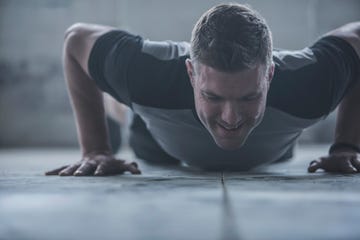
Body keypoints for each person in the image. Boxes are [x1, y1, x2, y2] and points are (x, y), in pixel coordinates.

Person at [45, 3, 360, 176]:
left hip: (270, 149)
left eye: (249, 96)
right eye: (213, 96)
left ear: (270, 75)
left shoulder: (310, 83)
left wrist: (346, 146)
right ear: (191, 74)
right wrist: (96, 149)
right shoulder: (145, 73)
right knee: (126, 107)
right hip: (158, 141)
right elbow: (76, 39)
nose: (231, 117)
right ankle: (120, 110)